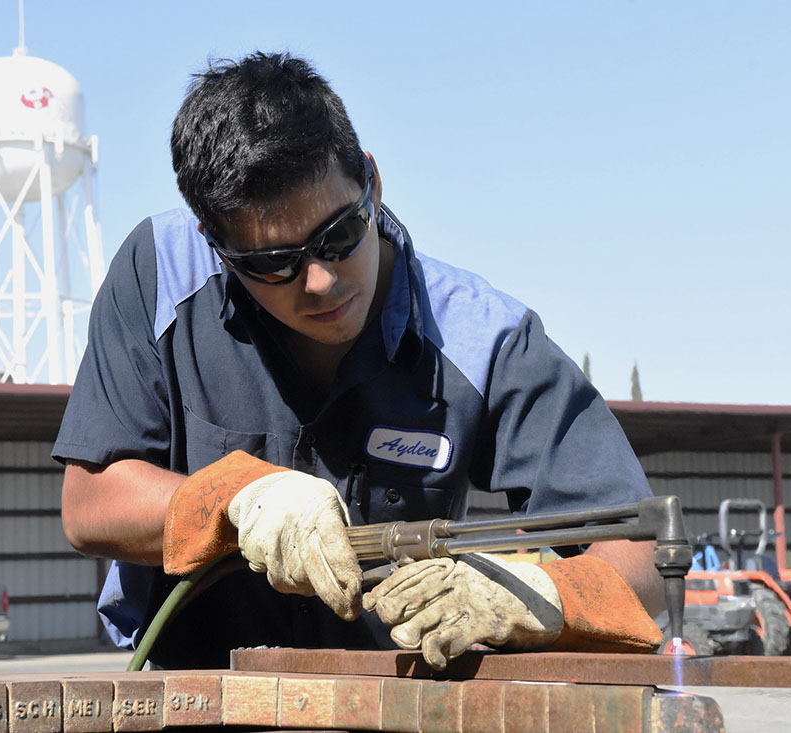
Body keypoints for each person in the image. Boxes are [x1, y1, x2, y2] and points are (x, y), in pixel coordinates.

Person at [55, 51, 664, 670]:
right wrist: (237, 499)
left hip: (391, 697)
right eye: (273, 263)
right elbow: (90, 504)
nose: (319, 281)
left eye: (339, 235)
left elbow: (641, 559)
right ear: (218, 247)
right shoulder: (161, 272)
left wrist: (533, 596)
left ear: (371, 181)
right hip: (199, 696)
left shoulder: (484, 339)